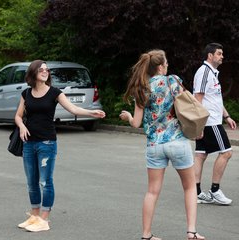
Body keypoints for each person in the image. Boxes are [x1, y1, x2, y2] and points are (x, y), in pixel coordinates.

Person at [119, 50, 205, 240]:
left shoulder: (142, 88)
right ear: (160, 66)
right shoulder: (172, 81)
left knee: (152, 191)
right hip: (177, 141)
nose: (168, 65)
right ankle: (191, 231)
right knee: (190, 187)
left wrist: (128, 117)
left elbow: (136, 124)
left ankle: (146, 235)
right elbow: (188, 106)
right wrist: (197, 127)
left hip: (154, 145)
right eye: (166, 63)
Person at [15, 60, 106, 232]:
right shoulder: (26, 93)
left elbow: (73, 109)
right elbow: (18, 116)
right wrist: (21, 126)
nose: (45, 72)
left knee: (45, 181)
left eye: (46, 70)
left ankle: (44, 219)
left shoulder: (55, 93)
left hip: (46, 143)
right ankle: (34, 216)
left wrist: (90, 112)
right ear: (33, 73)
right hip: (29, 144)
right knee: (31, 182)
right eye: (41, 69)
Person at [193, 43, 236, 205]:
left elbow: (214, 99)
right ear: (210, 56)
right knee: (226, 152)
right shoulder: (204, 72)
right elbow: (198, 99)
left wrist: (227, 116)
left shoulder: (212, 73)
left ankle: (196, 193)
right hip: (209, 122)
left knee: (200, 155)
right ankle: (215, 190)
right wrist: (199, 125)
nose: (222, 56)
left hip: (211, 120)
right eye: (219, 53)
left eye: (222, 53)